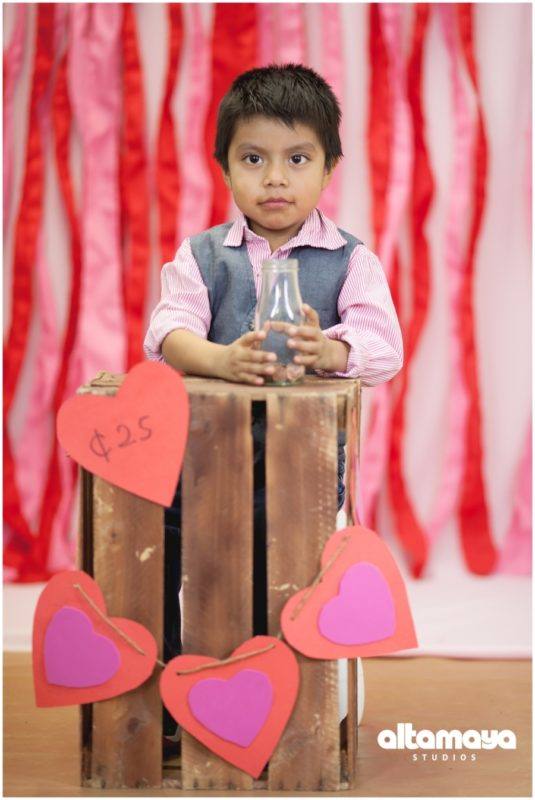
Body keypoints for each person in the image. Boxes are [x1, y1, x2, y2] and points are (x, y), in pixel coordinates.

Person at [144, 63, 403, 742]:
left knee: (277, 564)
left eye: (298, 159)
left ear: (329, 168)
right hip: (202, 461)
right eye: (253, 159)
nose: (275, 179)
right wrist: (220, 359)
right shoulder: (203, 255)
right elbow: (168, 332)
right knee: (166, 546)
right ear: (225, 169)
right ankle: (174, 684)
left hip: (299, 469)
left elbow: (383, 347)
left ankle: (275, 696)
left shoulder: (349, 260)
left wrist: (330, 349)